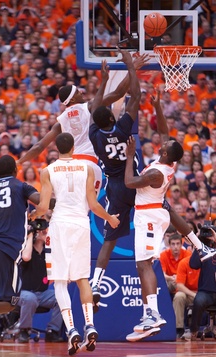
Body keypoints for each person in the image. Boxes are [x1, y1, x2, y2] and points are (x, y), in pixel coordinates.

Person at [124, 100, 216, 341]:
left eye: (164, 145)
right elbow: (164, 132)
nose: (162, 141)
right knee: (141, 265)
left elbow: (129, 182)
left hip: (149, 216)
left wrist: (129, 156)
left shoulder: (156, 172)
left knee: (144, 265)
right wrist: (157, 107)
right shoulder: (168, 162)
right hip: (156, 212)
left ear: (165, 153)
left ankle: (153, 315)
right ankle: (149, 314)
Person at [30, 132, 120, 356]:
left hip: (60, 225)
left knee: (60, 282)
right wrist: (110, 218)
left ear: (57, 148)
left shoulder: (48, 171)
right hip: (81, 224)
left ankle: (71, 330)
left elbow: (43, 208)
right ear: (73, 147)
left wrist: (34, 216)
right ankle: (89, 324)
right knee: (82, 279)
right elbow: (93, 203)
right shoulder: (86, 168)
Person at [17, 53, 149, 195]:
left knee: (74, 208)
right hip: (89, 163)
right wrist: (133, 68)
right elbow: (119, 93)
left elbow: (39, 146)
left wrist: (19, 162)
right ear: (73, 98)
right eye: (77, 92)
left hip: (71, 166)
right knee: (89, 206)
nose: (81, 91)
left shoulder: (61, 120)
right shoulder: (90, 106)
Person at [89, 49, 142, 309]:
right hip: (136, 182)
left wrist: (102, 80)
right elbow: (137, 96)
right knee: (158, 218)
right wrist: (132, 66)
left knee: (109, 241)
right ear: (113, 117)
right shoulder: (123, 128)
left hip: (116, 188)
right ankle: (197, 243)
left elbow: (95, 107)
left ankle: (96, 281)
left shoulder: (95, 136)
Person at [0, 155, 42, 313]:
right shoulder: (21, 187)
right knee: (10, 303)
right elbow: (42, 200)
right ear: (16, 170)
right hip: (8, 248)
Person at [182, 225, 216, 341]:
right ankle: (193, 331)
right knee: (199, 300)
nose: (214, 236)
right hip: (206, 293)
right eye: (213, 233)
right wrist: (199, 243)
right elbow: (193, 265)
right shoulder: (203, 250)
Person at [17, 218, 63, 343]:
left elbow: (53, 274)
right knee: (30, 298)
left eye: (45, 231)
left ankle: (52, 331)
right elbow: (26, 257)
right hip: (23, 293)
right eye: (42, 232)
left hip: (43, 294)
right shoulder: (26, 249)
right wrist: (30, 234)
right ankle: (24, 330)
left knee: (61, 296)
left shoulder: (47, 252)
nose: (45, 233)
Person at [173, 247, 200, 338]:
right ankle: (179, 328)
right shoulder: (184, 262)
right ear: (191, 250)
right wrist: (194, 294)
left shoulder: (208, 262)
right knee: (178, 296)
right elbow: (179, 285)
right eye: (195, 250)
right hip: (189, 294)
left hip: (204, 293)